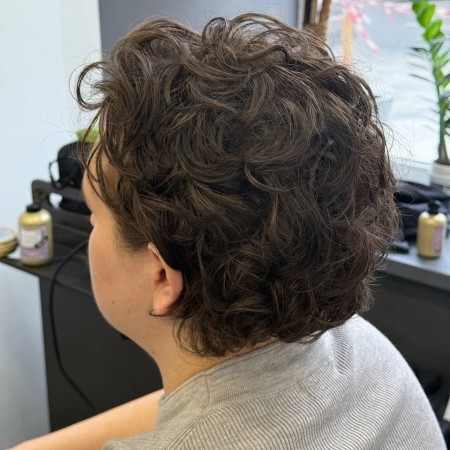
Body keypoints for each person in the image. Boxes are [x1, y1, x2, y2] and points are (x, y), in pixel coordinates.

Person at [13, 13, 445, 450]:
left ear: (161, 276)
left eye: (93, 216)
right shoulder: (356, 345)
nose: (90, 229)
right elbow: (207, 402)